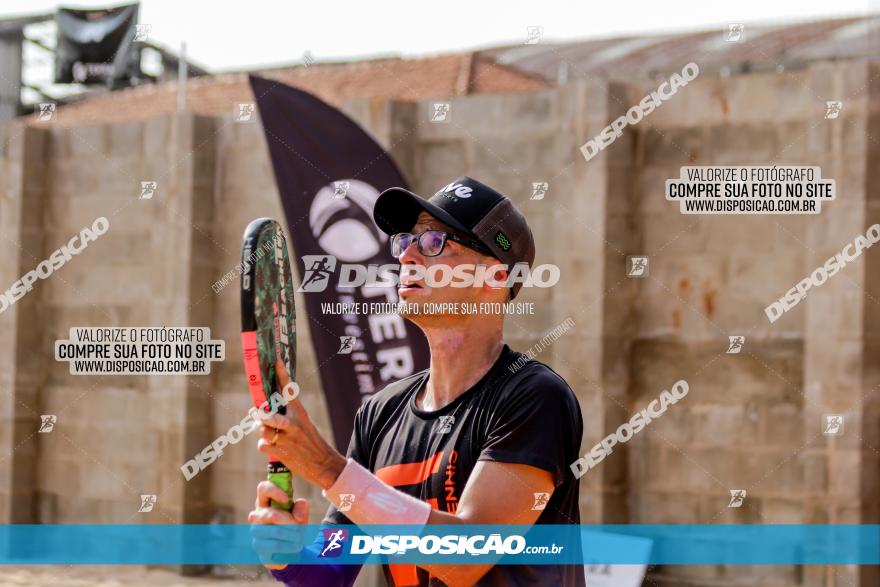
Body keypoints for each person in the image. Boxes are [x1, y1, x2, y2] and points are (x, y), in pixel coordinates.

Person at [249, 176, 584, 586]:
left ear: (496, 278)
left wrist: (325, 467)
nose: (406, 255)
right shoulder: (379, 412)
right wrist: (286, 557)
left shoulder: (534, 398)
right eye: (406, 241)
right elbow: (328, 574)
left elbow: (466, 559)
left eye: (434, 242)